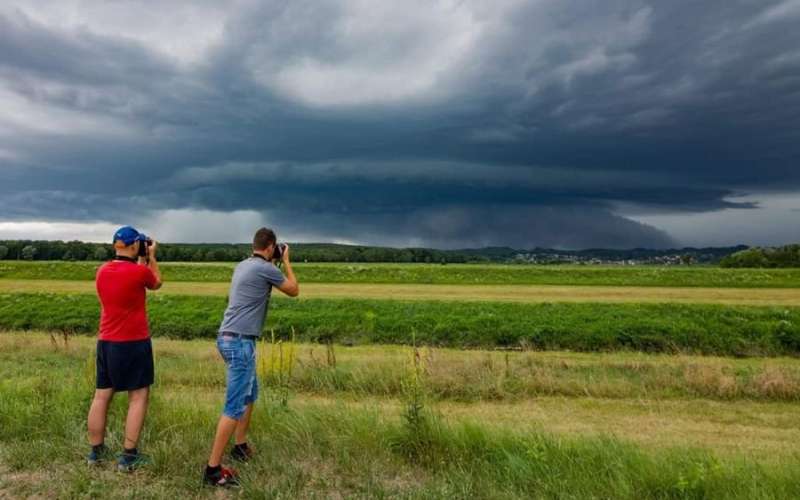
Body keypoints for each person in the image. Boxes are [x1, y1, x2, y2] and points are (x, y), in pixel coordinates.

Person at [203, 227, 299, 487]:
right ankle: (213, 470)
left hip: (230, 337)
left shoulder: (243, 265)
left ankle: (240, 446)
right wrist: (286, 262)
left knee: (249, 394)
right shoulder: (265, 268)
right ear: (270, 248)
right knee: (234, 406)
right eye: (276, 249)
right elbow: (293, 290)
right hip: (240, 343)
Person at [86, 226, 162, 471]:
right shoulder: (139, 272)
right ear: (133, 245)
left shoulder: (102, 271)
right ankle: (129, 456)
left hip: (106, 341)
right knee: (138, 397)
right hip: (133, 342)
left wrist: (141, 258)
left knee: (101, 395)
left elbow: (130, 277)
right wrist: (152, 257)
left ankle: (96, 452)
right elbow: (156, 282)